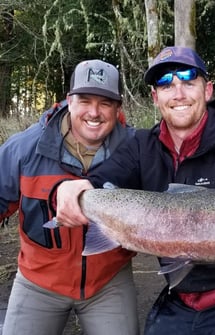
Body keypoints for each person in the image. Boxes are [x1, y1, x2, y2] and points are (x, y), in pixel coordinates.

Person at [53, 46, 215, 335]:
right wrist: (71, 188)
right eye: (166, 85)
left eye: (189, 83)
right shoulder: (142, 146)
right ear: (156, 98)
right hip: (178, 298)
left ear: (207, 91)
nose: (178, 93)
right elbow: (101, 181)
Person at [0, 59, 139, 335]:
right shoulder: (24, 149)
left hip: (108, 281)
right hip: (38, 280)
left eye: (105, 103)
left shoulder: (138, 150)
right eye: (85, 100)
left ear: (118, 108)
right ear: (69, 101)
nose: (94, 112)